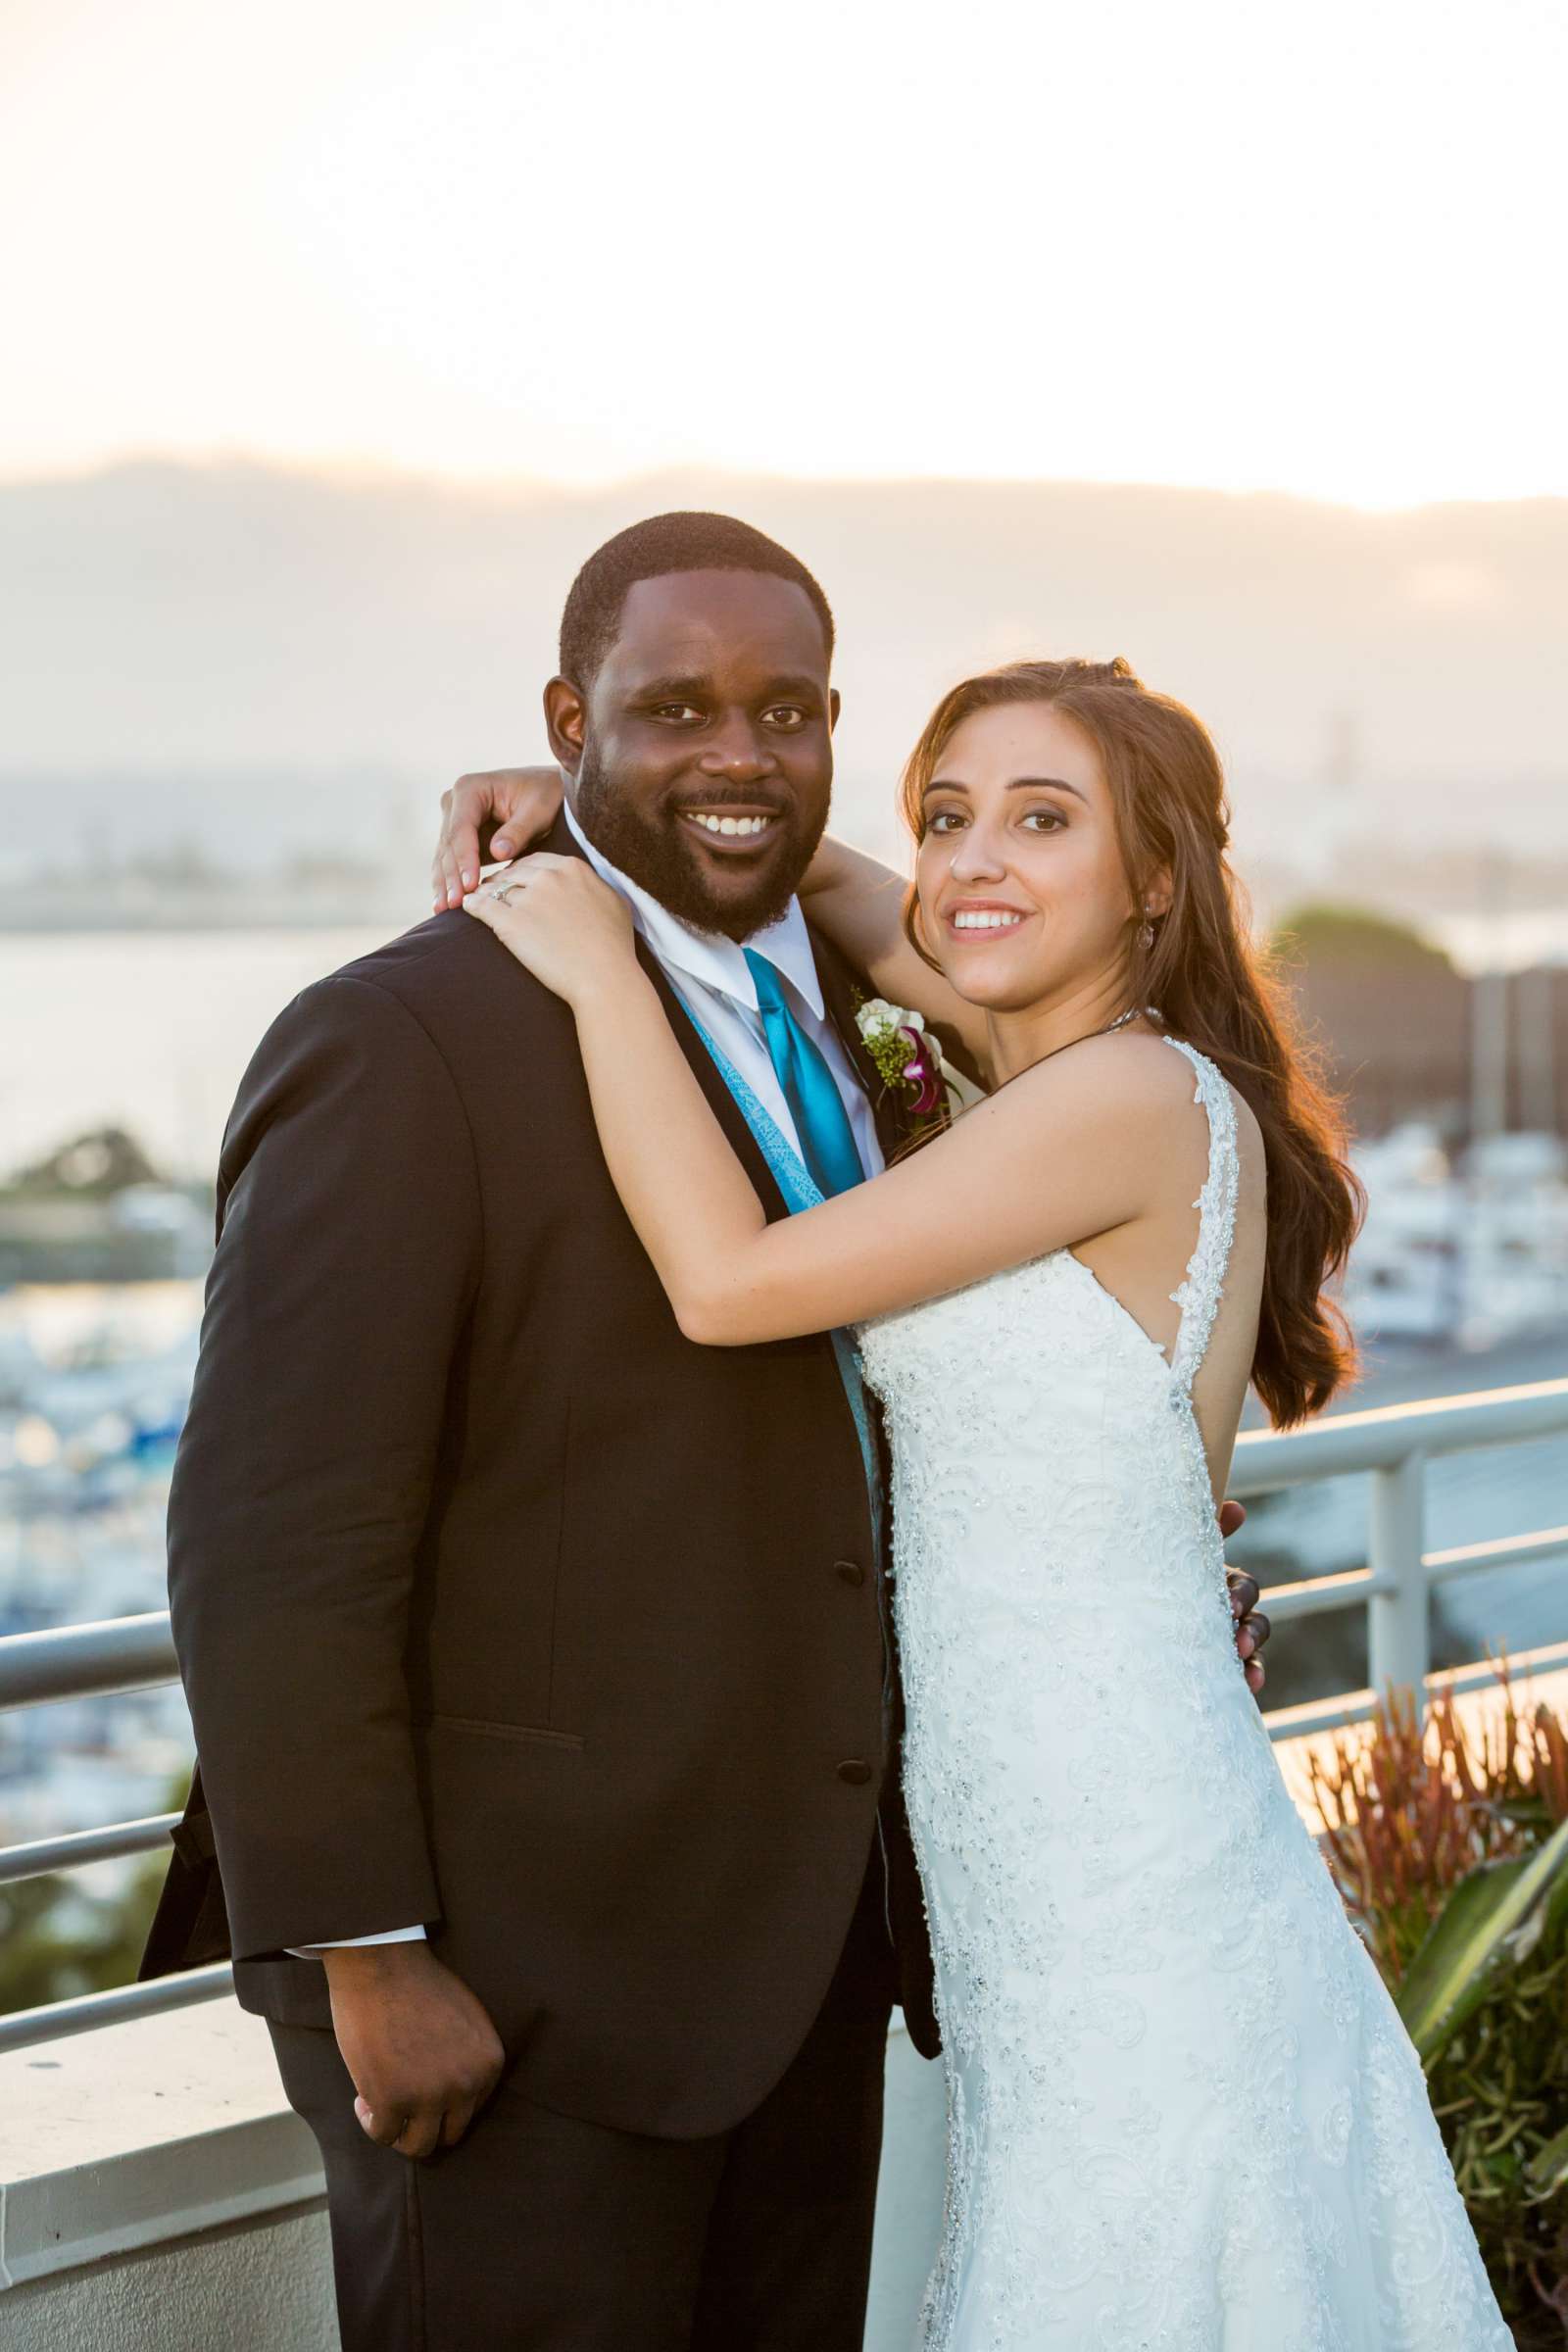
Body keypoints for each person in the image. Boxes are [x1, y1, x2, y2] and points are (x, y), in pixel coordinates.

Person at [141, 513, 1269, 2352]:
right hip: (523, 1983)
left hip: (808, 1959)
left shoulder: (892, 1033)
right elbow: (276, 1534)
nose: (740, 753)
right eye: (674, 710)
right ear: (572, 714)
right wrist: (363, 1949)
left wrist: (634, 786)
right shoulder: (407, 1042)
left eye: (788, 712)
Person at [461, 652, 1514, 2348]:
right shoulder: (1058, 1062)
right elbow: (832, 875)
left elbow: (729, 1284)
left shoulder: (1120, 1097)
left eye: (1043, 819)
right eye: (947, 815)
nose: (972, 863)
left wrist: (596, 970)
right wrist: (561, 797)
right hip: (1053, 1854)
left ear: (1154, 878)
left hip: (1115, 1866)